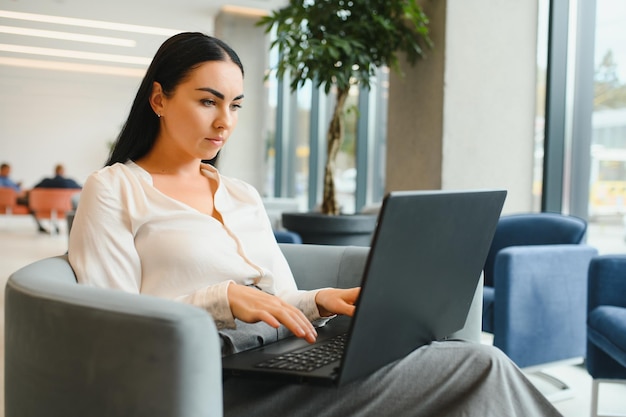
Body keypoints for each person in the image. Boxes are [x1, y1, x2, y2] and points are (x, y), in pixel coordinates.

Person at [68, 32, 562, 417]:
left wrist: (319, 299)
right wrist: (220, 299)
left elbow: (278, 298)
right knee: (478, 366)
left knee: (455, 362)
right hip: (210, 382)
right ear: (159, 100)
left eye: (235, 105)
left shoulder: (240, 194)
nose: (225, 122)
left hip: (284, 358)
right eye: (207, 101)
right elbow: (112, 325)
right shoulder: (113, 189)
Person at [30, 164, 82, 233]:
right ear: (63, 172)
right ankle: (73, 231)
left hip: (45, 208)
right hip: (66, 210)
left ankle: (40, 227)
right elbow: (82, 189)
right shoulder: (70, 182)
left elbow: (33, 189)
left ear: (55, 171)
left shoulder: (46, 181)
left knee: (29, 202)